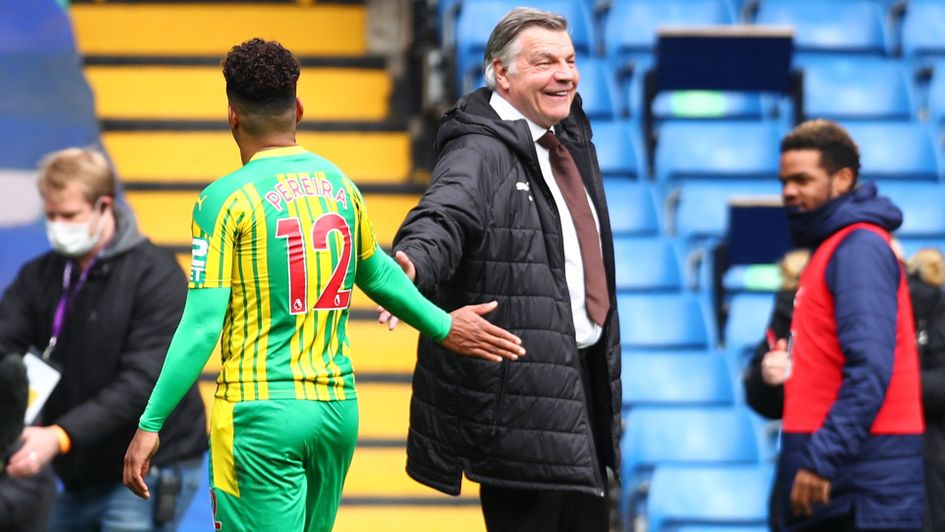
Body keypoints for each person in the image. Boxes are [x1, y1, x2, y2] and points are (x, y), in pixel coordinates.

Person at [122, 38, 525, 532]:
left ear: (233, 117)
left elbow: (203, 325)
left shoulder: (223, 200)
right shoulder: (338, 185)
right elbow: (376, 272)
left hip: (261, 413)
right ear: (298, 109)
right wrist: (441, 324)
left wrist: (150, 423)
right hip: (335, 411)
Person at [379, 7, 621, 531]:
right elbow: (443, 214)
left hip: (579, 383)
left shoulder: (569, 136)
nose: (565, 74)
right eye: (545, 62)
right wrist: (413, 264)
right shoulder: (478, 149)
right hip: (521, 402)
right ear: (501, 74)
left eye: (570, 60)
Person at [0, 147, 208, 530]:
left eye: (69, 216)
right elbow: (5, 342)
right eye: (51, 215)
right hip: (81, 469)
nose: (58, 226)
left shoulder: (155, 274)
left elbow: (143, 383)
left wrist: (60, 436)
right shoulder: (41, 275)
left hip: (149, 467)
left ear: (104, 206)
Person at [759, 119, 924, 531]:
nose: (788, 192)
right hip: (844, 483)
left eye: (802, 180)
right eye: (784, 181)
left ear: (843, 179)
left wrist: (822, 460)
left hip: (857, 488)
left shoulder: (859, 248)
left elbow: (870, 367)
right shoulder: (833, 246)